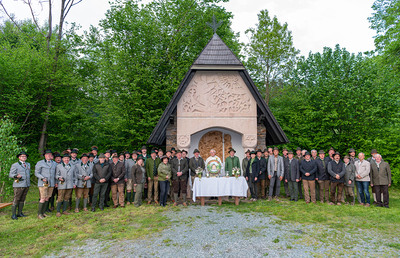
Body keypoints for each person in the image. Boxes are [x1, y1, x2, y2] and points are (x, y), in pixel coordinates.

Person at [35, 149, 57, 219]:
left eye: (50, 154)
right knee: (43, 198)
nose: (49, 156)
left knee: (47, 198)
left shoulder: (54, 163)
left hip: (51, 183)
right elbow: (36, 173)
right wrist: (42, 178)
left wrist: (56, 182)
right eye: (47, 154)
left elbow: (56, 174)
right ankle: (39, 214)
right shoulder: (40, 163)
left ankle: (44, 212)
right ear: (44, 155)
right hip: (43, 183)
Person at [9, 151, 31, 220]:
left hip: (26, 184)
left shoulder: (28, 164)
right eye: (22, 156)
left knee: (22, 199)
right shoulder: (15, 165)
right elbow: (11, 174)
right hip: (18, 184)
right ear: (19, 157)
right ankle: (13, 214)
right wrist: (16, 176)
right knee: (16, 199)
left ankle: (20, 213)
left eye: (25, 156)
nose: (24, 157)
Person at [56, 153, 77, 217]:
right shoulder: (59, 166)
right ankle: (58, 211)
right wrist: (59, 178)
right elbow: (56, 175)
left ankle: (64, 210)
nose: (66, 160)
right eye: (65, 158)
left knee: (67, 198)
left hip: (70, 185)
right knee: (60, 197)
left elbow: (75, 176)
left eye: (68, 158)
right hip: (62, 184)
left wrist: (74, 184)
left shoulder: (72, 166)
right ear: (63, 159)